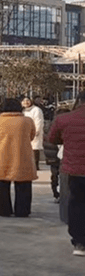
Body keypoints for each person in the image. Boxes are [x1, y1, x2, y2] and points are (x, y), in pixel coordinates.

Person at [48, 91, 85, 256]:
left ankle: (79, 243)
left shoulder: (64, 119)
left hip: (75, 169)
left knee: (77, 204)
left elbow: (52, 138)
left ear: (79, 101)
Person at [0, 98, 37, 217]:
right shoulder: (28, 121)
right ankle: (22, 210)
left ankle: (2, 209)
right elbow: (32, 136)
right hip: (23, 157)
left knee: (2, 185)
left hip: (2, 157)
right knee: (24, 185)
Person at [22, 97, 45, 171]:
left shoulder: (36, 110)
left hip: (34, 132)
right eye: (24, 101)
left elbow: (39, 121)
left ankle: (35, 165)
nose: (26, 102)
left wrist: (37, 131)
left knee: (35, 149)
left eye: (27, 100)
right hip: (24, 132)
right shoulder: (22, 110)